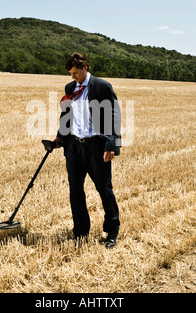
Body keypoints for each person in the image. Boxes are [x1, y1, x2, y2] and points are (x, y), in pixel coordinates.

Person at [53, 52, 121, 249]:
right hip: (73, 147)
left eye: (75, 73)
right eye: (70, 73)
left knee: (104, 188)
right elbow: (66, 116)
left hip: (96, 146)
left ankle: (111, 230)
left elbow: (114, 116)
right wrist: (60, 137)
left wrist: (112, 145)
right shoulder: (70, 88)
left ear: (85, 68)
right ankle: (81, 231)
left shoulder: (102, 87)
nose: (72, 77)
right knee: (75, 190)